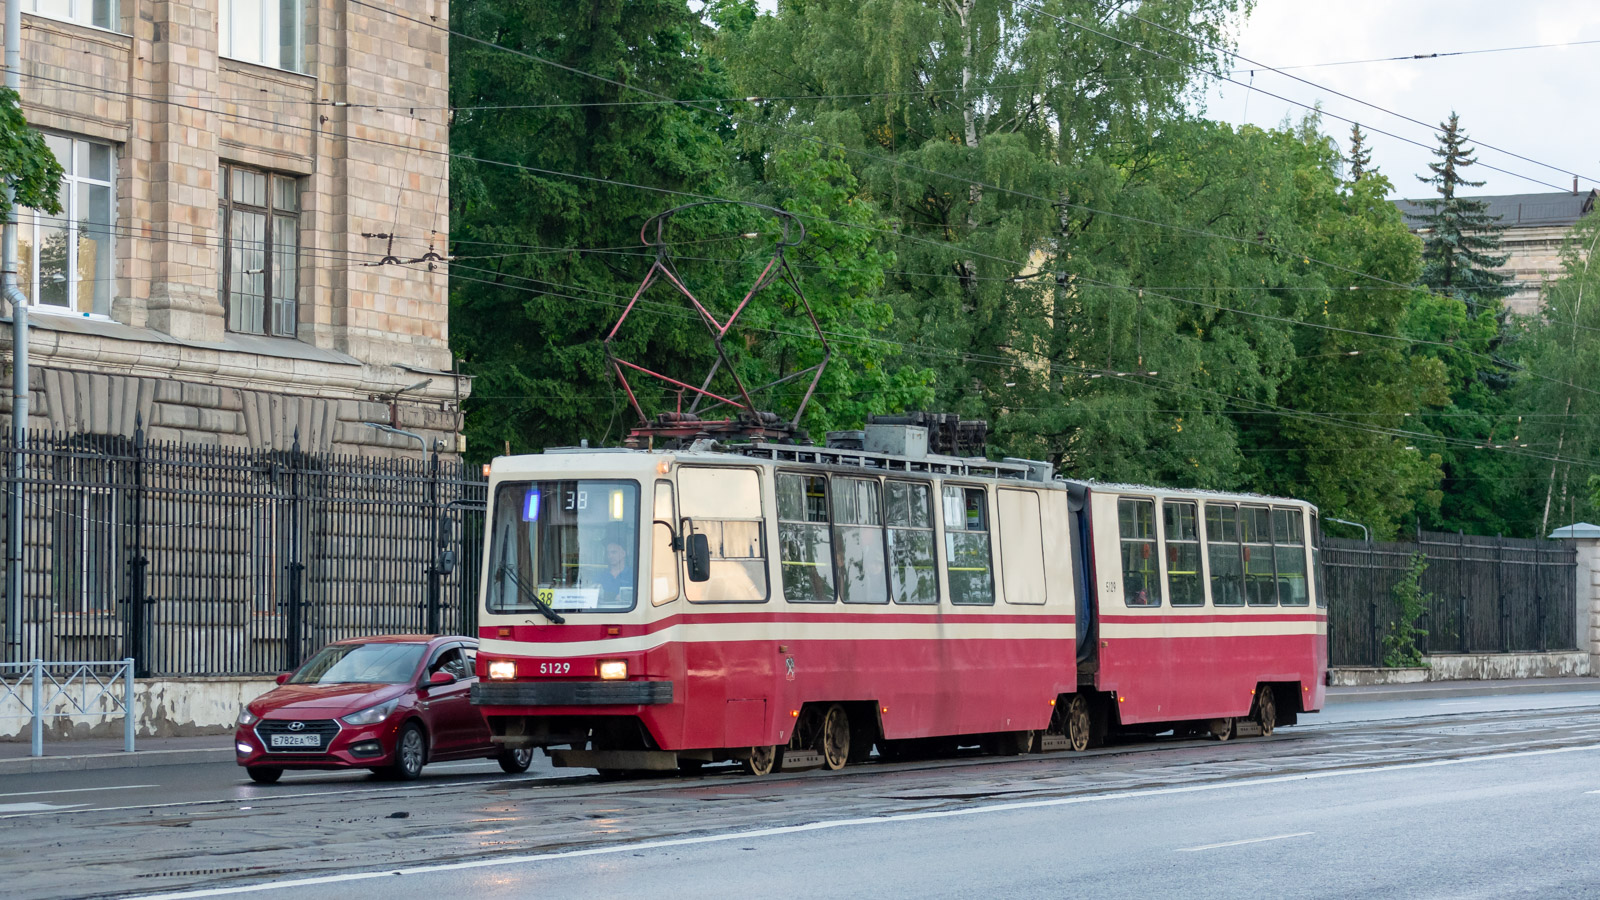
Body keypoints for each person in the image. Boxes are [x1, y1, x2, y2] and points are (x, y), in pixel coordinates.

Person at [590, 535, 635, 607]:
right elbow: (592, 595)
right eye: (608, 553)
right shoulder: (600, 576)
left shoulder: (633, 575)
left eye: (614, 552)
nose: (610, 556)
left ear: (623, 553)